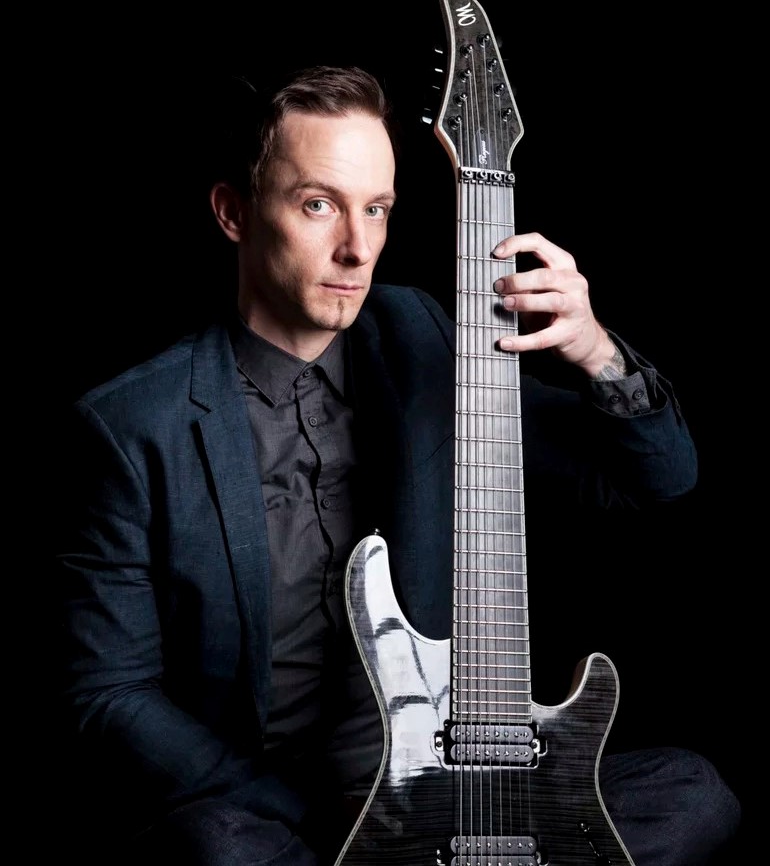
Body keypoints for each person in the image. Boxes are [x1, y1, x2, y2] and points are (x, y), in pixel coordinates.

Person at [54, 64, 740, 866]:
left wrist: (595, 350)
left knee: (691, 794)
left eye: (376, 209)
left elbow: (655, 477)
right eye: (318, 204)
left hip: (447, 776)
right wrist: (323, 819)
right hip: (278, 806)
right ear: (234, 213)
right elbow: (111, 694)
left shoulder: (420, 335)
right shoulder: (134, 425)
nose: (356, 248)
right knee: (217, 848)